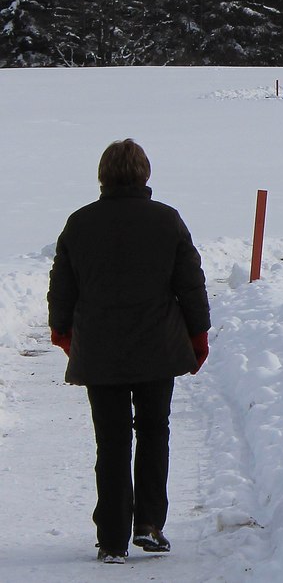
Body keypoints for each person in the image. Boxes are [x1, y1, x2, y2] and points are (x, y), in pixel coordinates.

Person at [48, 139, 210, 565]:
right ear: (145, 174)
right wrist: (198, 335)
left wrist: (64, 333)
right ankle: (151, 525)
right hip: (158, 347)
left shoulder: (79, 223)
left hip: (100, 351)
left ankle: (112, 539)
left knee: (112, 441)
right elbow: (189, 284)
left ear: (103, 175)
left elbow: (62, 287)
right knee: (154, 431)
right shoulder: (166, 220)